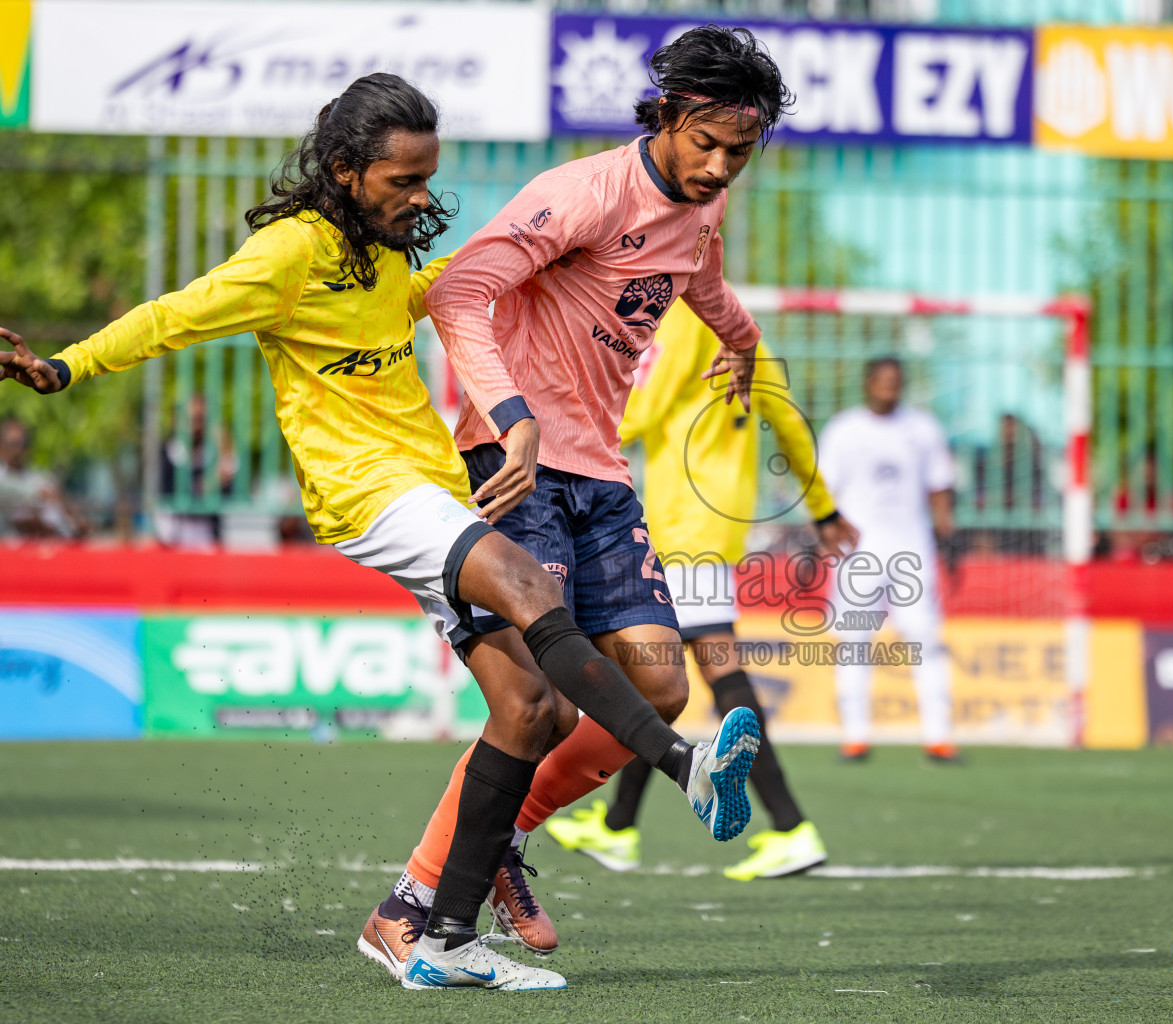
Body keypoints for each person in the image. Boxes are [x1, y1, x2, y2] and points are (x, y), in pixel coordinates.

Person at [1, 73, 755, 993]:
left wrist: (539, 264)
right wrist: (65, 367)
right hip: (369, 494)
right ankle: (683, 763)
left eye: (428, 178)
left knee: (531, 709)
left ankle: (427, 931)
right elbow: (175, 316)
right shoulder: (289, 253)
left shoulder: (385, 251)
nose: (422, 197)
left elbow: (439, 294)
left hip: (431, 487)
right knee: (531, 590)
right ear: (346, 171)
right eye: (405, 180)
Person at [367, 24, 793, 963]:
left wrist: (743, 343)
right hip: (513, 465)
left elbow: (705, 284)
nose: (719, 168)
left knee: (662, 685)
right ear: (667, 114)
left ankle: (503, 836)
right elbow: (457, 293)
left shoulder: (703, 207)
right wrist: (510, 413)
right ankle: (414, 901)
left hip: (600, 478)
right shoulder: (583, 193)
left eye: (739, 153)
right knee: (536, 707)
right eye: (706, 144)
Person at [543, 301, 858, 880]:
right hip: (717, 523)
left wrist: (553, 430)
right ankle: (619, 826)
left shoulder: (685, 321)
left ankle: (790, 827)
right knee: (656, 677)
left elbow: (639, 411)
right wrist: (823, 508)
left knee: (694, 673)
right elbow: (789, 425)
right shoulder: (745, 335)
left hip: (684, 521)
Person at [819, 357, 959, 762]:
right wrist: (820, 540)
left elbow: (939, 486)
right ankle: (855, 735)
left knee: (924, 637)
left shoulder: (922, 428)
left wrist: (947, 535)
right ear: (867, 383)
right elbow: (823, 492)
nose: (888, 387)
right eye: (881, 380)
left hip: (911, 550)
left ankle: (938, 735)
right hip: (857, 552)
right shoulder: (844, 430)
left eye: (895, 381)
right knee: (853, 642)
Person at [155, 393, 237, 548]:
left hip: (208, 542)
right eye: (192, 420)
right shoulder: (165, 455)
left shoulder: (213, 455)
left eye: (202, 420)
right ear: (176, 421)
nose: (197, 427)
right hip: (172, 542)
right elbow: (189, 494)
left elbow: (228, 493)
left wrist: (225, 448)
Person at [0, 416, 82, 538]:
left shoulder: (40, 479)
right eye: (13, 444)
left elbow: (58, 513)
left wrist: (74, 521)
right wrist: (39, 495)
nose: (18, 450)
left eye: (23, 444)